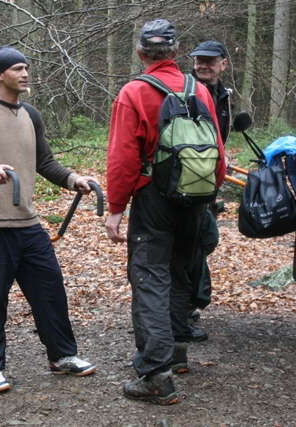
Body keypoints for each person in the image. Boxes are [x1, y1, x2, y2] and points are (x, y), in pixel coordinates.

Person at [0, 45, 99, 393]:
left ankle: (62, 355)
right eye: (17, 68)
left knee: (50, 291)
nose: (24, 74)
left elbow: (44, 162)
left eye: (26, 68)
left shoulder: (31, 115)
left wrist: (72, 180)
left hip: (27, 225)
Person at [105, 19, 226, 404]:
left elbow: (123, 158)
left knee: (150, 278)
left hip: (153, 198)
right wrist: (207, 195)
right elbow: (219, 154)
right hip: (196, 198)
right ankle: (176, 353)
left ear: (141, 53)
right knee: (179, 271)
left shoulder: (134, 92)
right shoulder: (200, 91)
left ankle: (155, 375)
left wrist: (115, 208)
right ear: (176, 53)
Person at [185, 40, 232, 341]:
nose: (203, 65)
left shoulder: (223, 94)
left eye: (210, 61)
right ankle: (186, 307)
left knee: (203, 241)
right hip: (185, 183)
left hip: (208, 184)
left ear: (223, 64)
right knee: (195, 242)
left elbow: (218, 141)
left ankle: (187, 305)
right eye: (199, 60)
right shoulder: (184, 89)